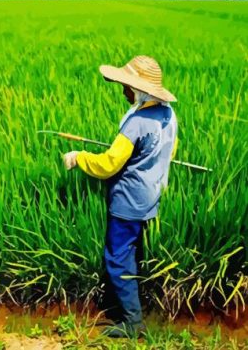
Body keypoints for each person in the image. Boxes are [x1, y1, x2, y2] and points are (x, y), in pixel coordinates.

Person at [63, 55, 178, 338]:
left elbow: (108, 164)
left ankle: (132, 321)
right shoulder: (168, 115)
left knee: (117, 257)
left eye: (127, 85)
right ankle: (131, 305)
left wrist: (79, 157)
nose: (124, 90)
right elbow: (169, 151)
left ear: (140, 89)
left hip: (127, 202)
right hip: (151, 198)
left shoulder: (136, 122)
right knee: (132, 253)